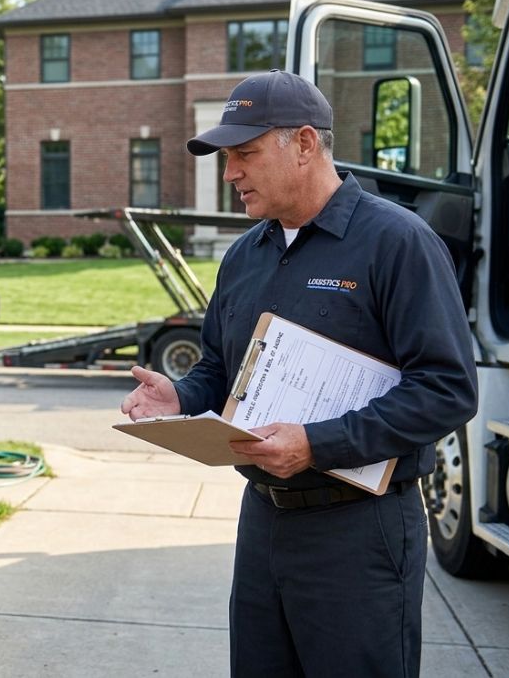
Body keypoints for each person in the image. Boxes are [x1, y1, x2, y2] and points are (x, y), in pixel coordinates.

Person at [120, 70, 477, 677]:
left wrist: (318, 444)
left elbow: (448, 389)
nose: (230, 173)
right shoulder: (244, 255)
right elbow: (221, 368)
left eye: (245, 153)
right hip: (263, 521)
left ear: (306, 143)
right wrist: (179, 396)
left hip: (359, 530)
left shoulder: (397, 242)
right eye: (226, 157)